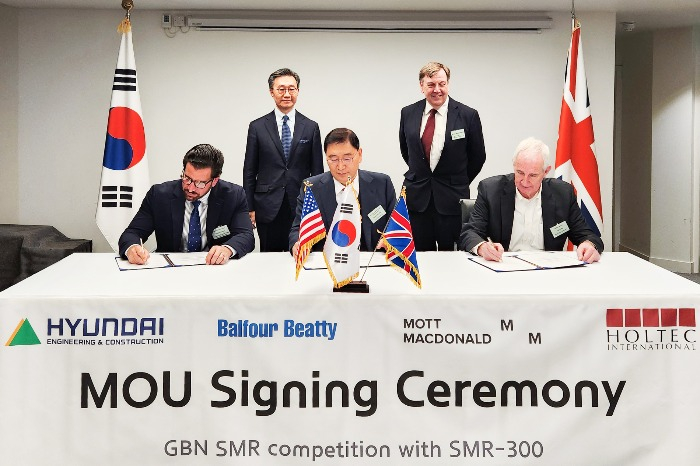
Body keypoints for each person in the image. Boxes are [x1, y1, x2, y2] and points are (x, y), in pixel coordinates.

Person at [459, 137, 603, 262]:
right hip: (504, 266)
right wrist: (482, 247)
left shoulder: (563, 194)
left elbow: (587, 235)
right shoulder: (490, 190)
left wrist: (589, 245)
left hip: (548, 270)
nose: (525, 181)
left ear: (546, 171)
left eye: (533, 175)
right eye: (520, 173)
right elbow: (469, 233)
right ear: (514, 166)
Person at [399, 61, 486, 251]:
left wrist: (456, 180)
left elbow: (478, 157)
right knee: (420, 257)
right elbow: (407, 151)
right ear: (422, 86)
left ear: (448, 84)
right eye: (431, 85)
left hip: (452, 199)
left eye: (442, 84)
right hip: (417, 200)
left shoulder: (468, 115)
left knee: (452, 257)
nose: (437, 90)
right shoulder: (408, 113)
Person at [119, 143, 254, 265]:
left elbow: (246, 236)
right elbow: (131, 233)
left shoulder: (233, 195)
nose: (190, 188)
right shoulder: (159, 195)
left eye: (200, 183)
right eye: (187, 178)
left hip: (212, 268)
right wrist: (132, 248)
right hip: (169, 269)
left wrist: (226, 249)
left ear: (214, 181)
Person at [243, 68, 323, 252]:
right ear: (272, 92)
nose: (287, 94)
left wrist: (317, 206)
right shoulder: (257, 127)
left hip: (301, 204)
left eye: (291, 89)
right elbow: (249, 170)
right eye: (281, 89)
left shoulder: (311, 127)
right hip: (267, 205)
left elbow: (317, 171)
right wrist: (250, 208)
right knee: (269, 257)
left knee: (300, 255)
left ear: (298, 91)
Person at [289, 128, 396, 259]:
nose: (340, 167)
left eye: (347, 158)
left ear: (360, 154)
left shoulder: (382, 184)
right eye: (333, 159)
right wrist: (296, 243)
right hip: (327, 265)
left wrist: (390, 240)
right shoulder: (311, 187)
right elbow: (297, 229)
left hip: (372, 262)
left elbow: (395, 227)